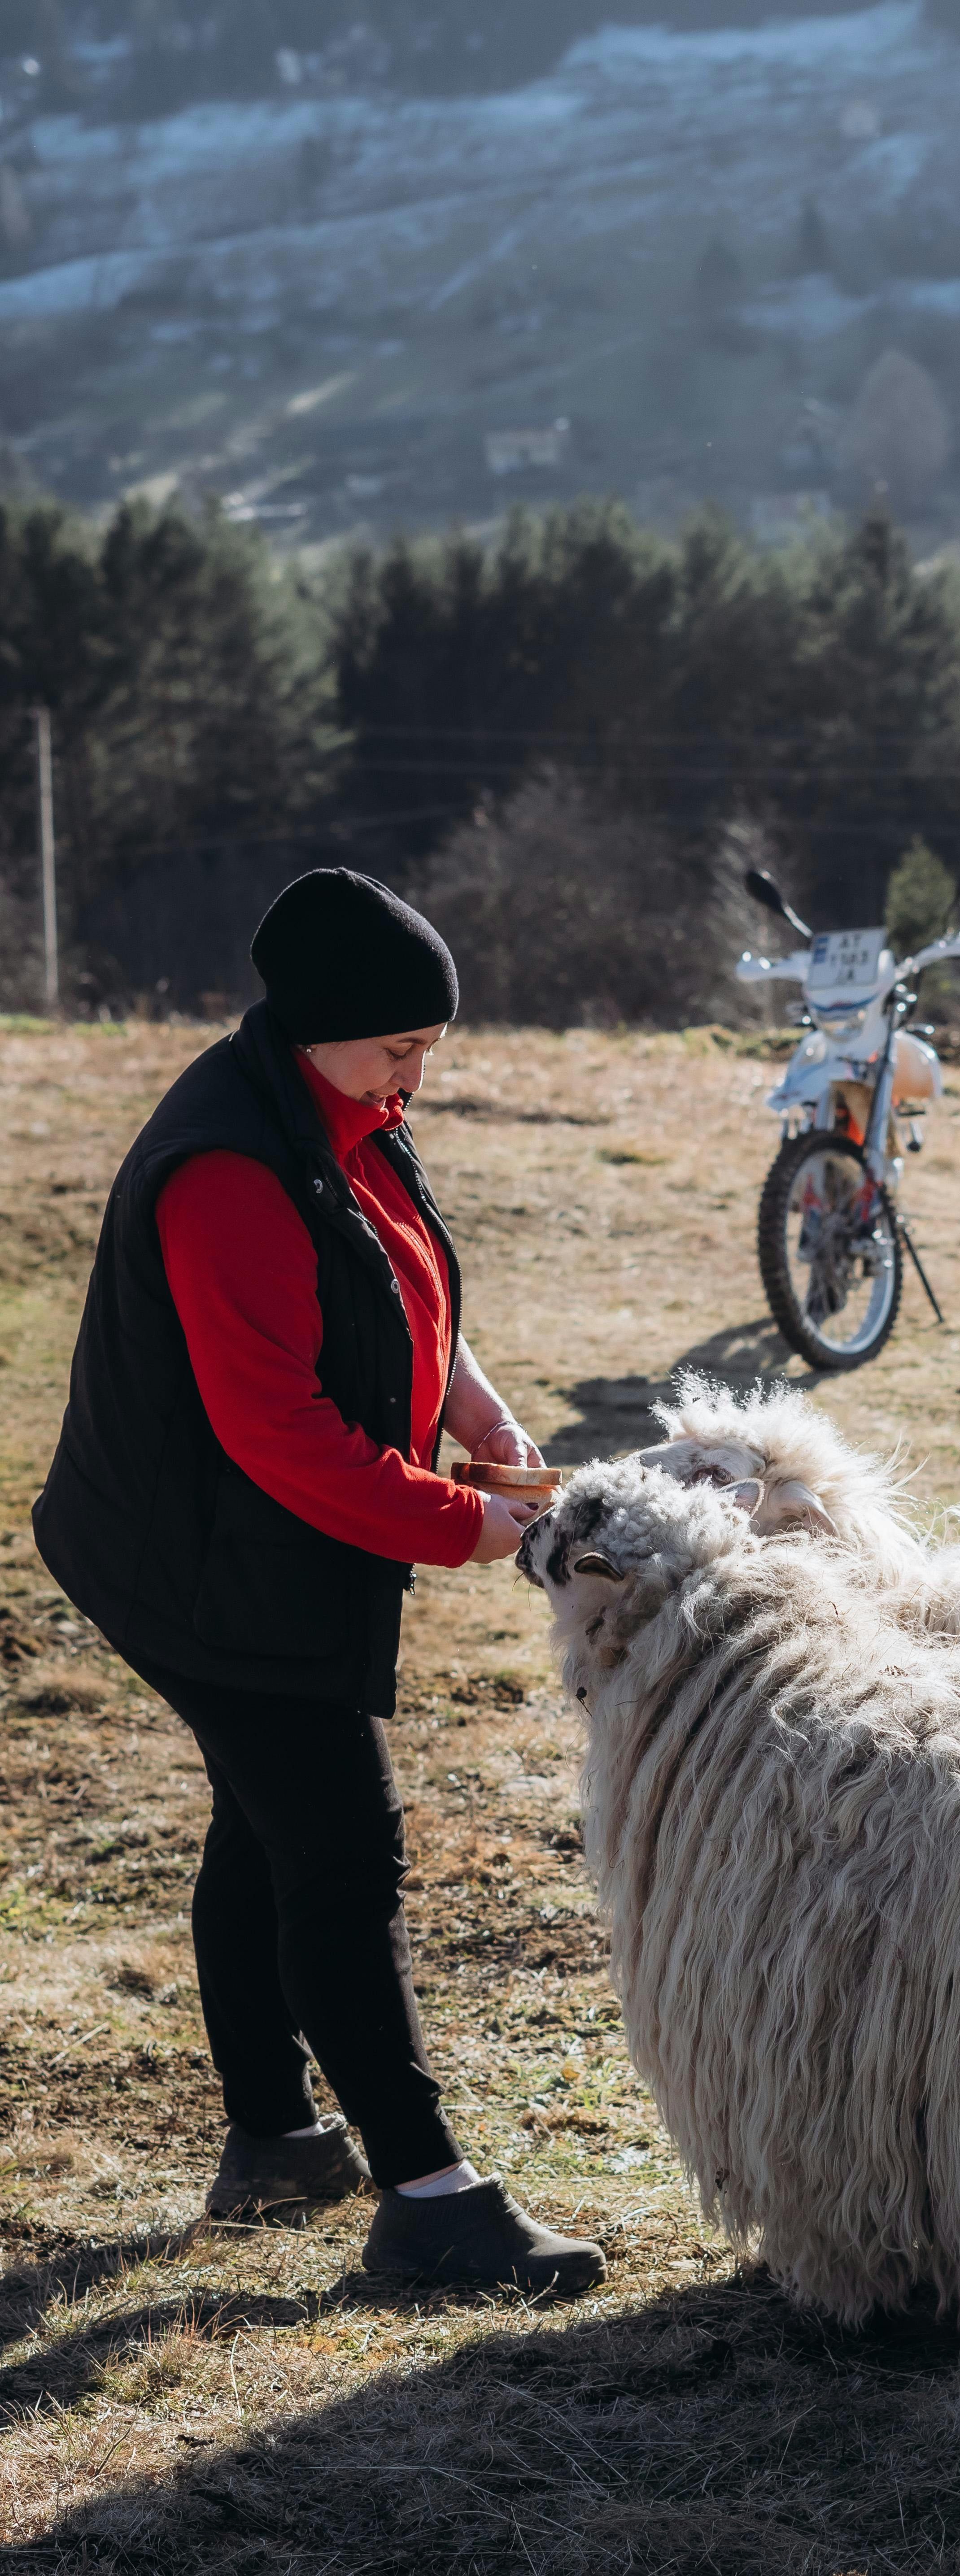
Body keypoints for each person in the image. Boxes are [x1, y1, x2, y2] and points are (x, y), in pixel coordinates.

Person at [33, 869, 604, 2296]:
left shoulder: (342, 1114)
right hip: (198, 1558)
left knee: (267, 1819)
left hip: (261, 1537)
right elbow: (276, 1430)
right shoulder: (229, 1168)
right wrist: (467, 1524)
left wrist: (476, 1417)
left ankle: (276, 2141)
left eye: (430, 1048)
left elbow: (398, 1286)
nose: (421, 1075)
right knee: (343, 1854)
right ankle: (430, 2200)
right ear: (320, 1025)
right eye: (402, 1047)